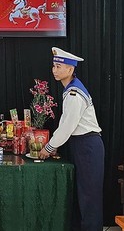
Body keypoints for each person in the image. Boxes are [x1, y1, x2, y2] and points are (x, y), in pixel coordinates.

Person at [38, 47, 104, 231]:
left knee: (89, 197)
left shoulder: (74, 94)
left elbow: (67, 126)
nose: (54, 70)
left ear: (70, 69)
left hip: (88, 145)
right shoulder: (71, 89)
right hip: (82, 144)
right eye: (53, 66)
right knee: (83, 195)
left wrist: (48, 148)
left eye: (59, 67)